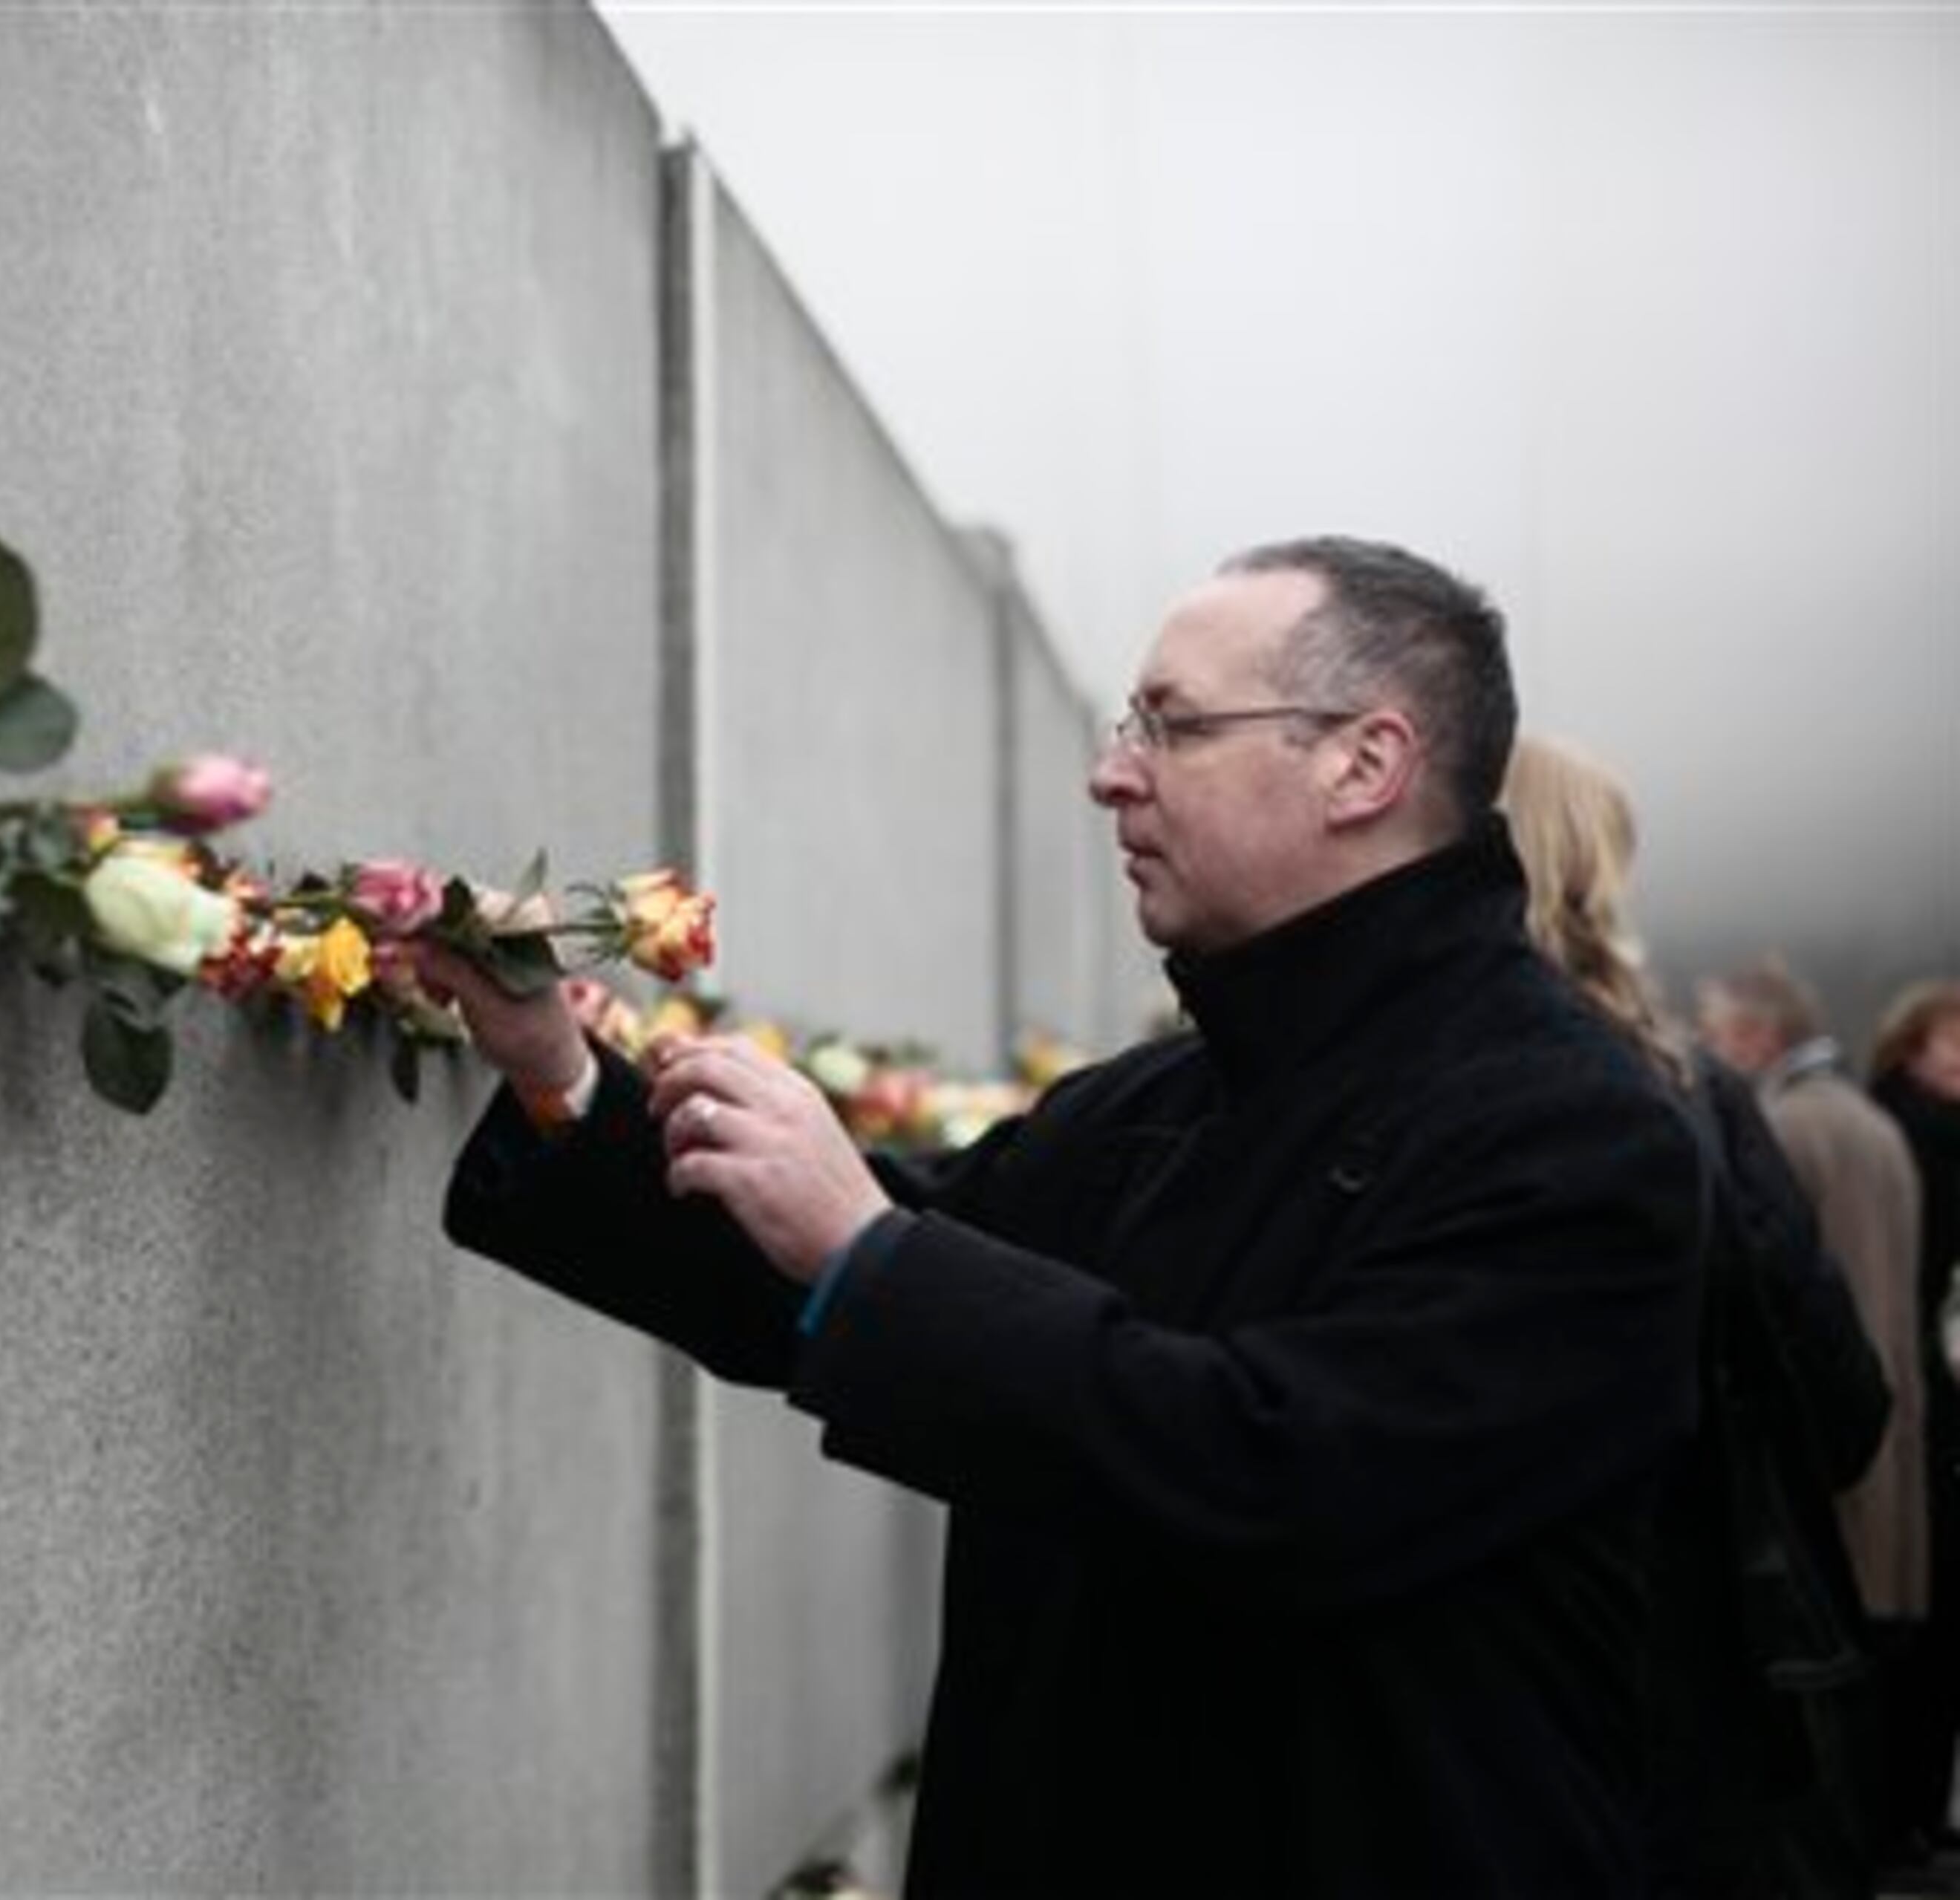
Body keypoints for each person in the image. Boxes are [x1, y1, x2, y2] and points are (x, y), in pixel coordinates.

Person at [421, 536, 1707, 1897]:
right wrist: (558, 1069)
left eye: (1175, 724)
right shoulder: (1158, 1097)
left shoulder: (1577, 1135)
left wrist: (869, 1248)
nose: (1114, 771)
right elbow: (825, 1287)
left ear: (1364, 764)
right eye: (1127, 722)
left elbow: (1279, 1474)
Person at [1504, 735, 1888, 1898]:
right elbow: (1845, 1406)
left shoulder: (1373, 1089)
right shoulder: (1689, 1095)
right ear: (1595, 874)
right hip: (1687, 1678)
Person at [1698, 960, 1932, 1866]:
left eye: (1721, 1031)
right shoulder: (1877, 1121)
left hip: (1820, 1442)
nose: (1711, 1048)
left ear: (1759, 1038)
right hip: (1894, 1424)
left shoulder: (1787, 1125)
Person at [1875, 978, 1960, 1854]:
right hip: (1914, 1394)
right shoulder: (1911, 1134)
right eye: (1956, 1047)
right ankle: (1906, 1812)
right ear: (1911, 1048)